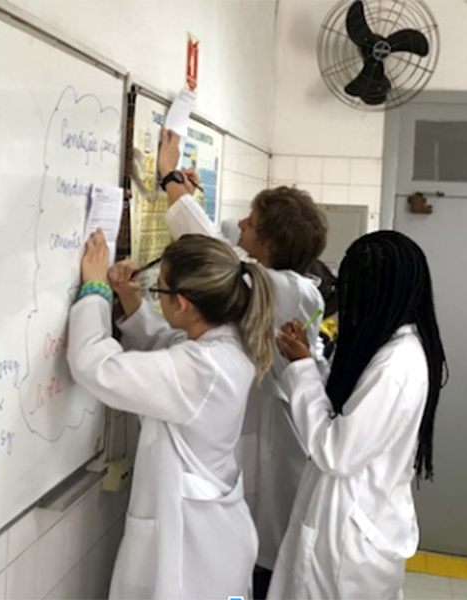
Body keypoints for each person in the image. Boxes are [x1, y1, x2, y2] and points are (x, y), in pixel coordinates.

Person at [156, 128, 330, 591]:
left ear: (269, 246)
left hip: (270, 469)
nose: (240, 225)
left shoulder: (290, 291)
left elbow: (216, 259)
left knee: (257, 574)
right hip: (256, 464)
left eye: (250, 223)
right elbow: (224, 255)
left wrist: (170, 178)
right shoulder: (285, 288)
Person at [67, 230, 275, 599]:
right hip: (216, 546)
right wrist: (131, 299)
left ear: (182, 303)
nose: (155, 295)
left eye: (157, 289)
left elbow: (93, 366)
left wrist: (95, 290)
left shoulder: (203, 368)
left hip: (193, 559)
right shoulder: (226, 340)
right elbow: (165, 345)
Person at [268, 230, 447, 599]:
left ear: (375, 292)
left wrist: (302, 369)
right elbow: (344, 408)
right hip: (348, 523)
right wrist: (307, 360)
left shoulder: (397, 365)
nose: (346, 300)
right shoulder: (387, 345)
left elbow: (338, 452)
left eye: (352, 288)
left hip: (348, 540)